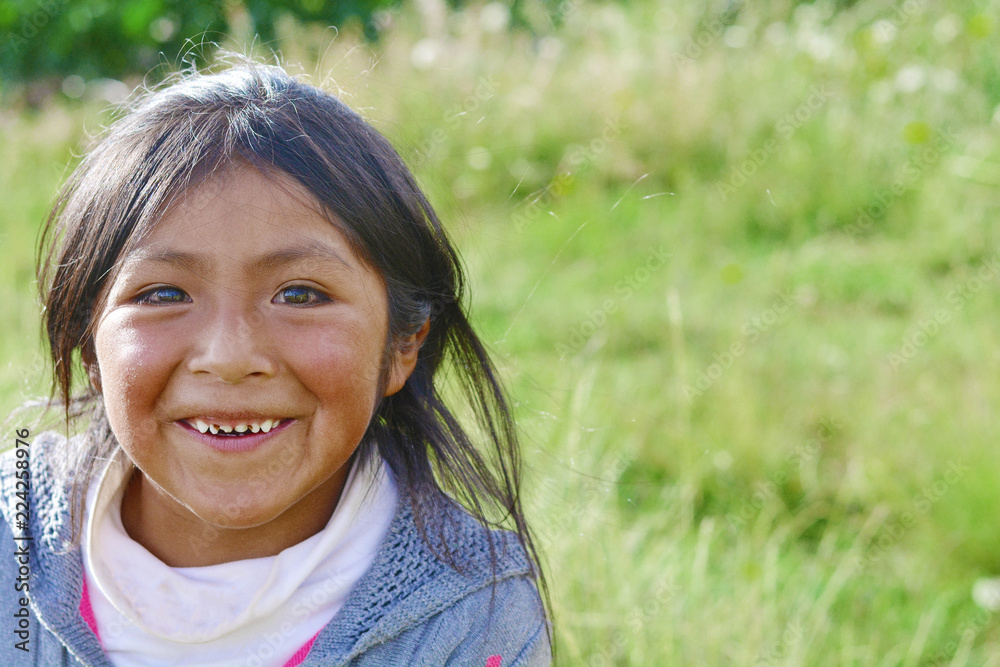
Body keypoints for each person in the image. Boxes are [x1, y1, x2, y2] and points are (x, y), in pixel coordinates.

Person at [0, 60, 550, 666]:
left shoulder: (471, 617)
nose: (230, 358)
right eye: (163, 294)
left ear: (403, 345)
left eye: (301, 295)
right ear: (88, 346)